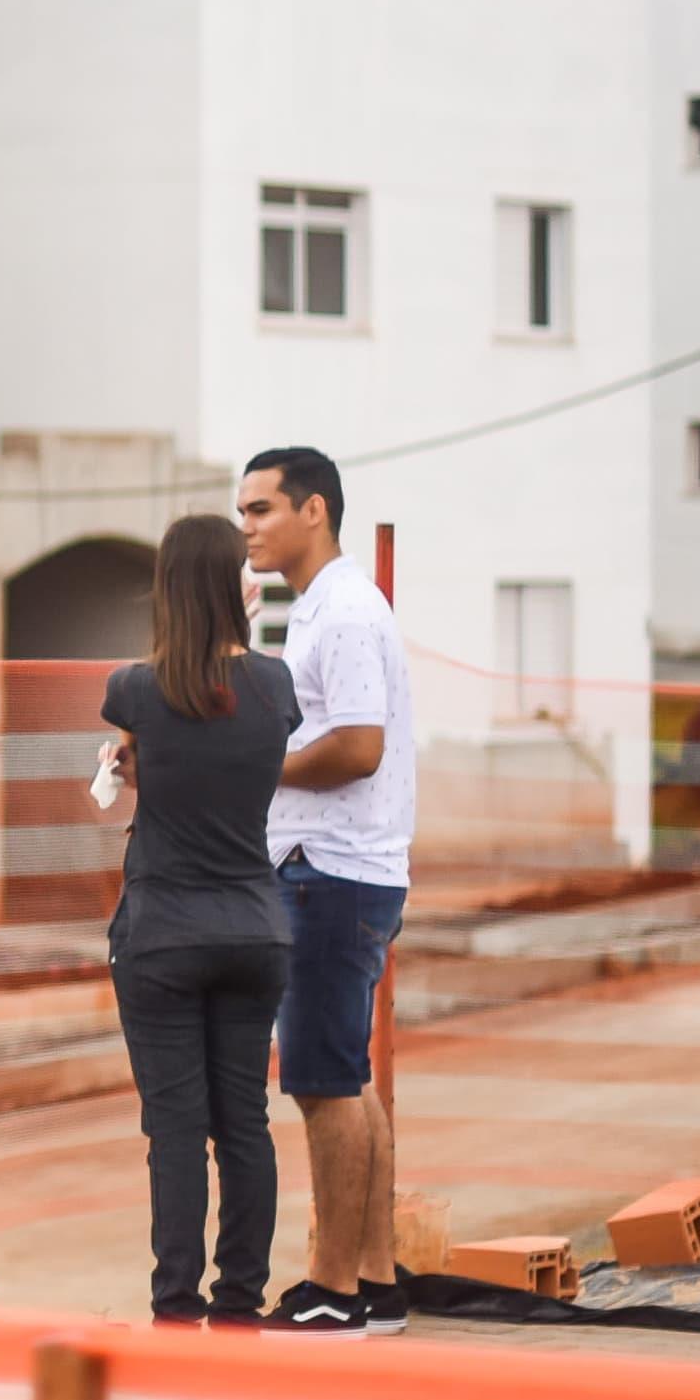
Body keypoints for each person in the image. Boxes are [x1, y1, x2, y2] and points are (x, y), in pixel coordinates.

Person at [87, 516, 300, 1325]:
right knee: (244, 1122)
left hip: (164, 932)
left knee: (175, 1132)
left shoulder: (133, 690)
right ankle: (240, 1302)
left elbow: (156, 748)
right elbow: (233, 731)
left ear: (167, 589)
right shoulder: (276, 687)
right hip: (254, 927)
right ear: (235, 585)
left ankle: (175, 1308)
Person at [237, 444, 416, 1334]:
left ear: (314, 510)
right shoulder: (318, 609)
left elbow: (357, 747)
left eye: (262, 509)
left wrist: (259, 767)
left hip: (332, 873)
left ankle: (333, 1289)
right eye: (242, 513)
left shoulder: (341, 612)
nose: (248, 528)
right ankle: (375, 1282)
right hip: (343, 871)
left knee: (321, 1084)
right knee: (346, 1078)